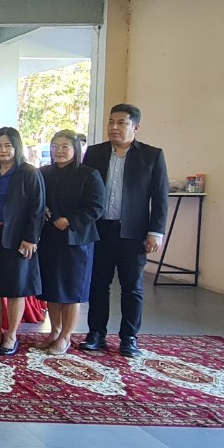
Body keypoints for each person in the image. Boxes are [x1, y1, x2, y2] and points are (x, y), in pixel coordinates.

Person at [80, 103, 169, 357]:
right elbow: (84, 189)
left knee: (132, 287)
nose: (114, 127)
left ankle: (129, 337)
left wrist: (156, 231)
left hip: (133, 232)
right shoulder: (95, 153)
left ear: (136, 127)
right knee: (98, 284)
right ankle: (96, 333)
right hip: (100, 230)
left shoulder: (151, 156)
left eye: (121, 123)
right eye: (111, 122)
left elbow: (160, 197)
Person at [37, 130, 106, 355]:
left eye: (65, 146)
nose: (59, 151)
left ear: (76, 149)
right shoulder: (44, 173)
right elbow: (37, 199)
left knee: (71, 291)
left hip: (77, 240)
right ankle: (54, 331)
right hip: (50, 237)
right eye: (55, 146)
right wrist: (45, 213)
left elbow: (96, 207)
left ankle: (66, 336)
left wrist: (69, 221)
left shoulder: (89, 174)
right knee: (52, 289)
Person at [0, 127, 45, 356]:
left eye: (8, 145)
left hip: (18, 239)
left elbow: (37, 209)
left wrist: (30, 238)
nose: (3, 150)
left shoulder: (29, 172)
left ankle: (12, 334)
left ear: (17, 147)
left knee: (16, 289)